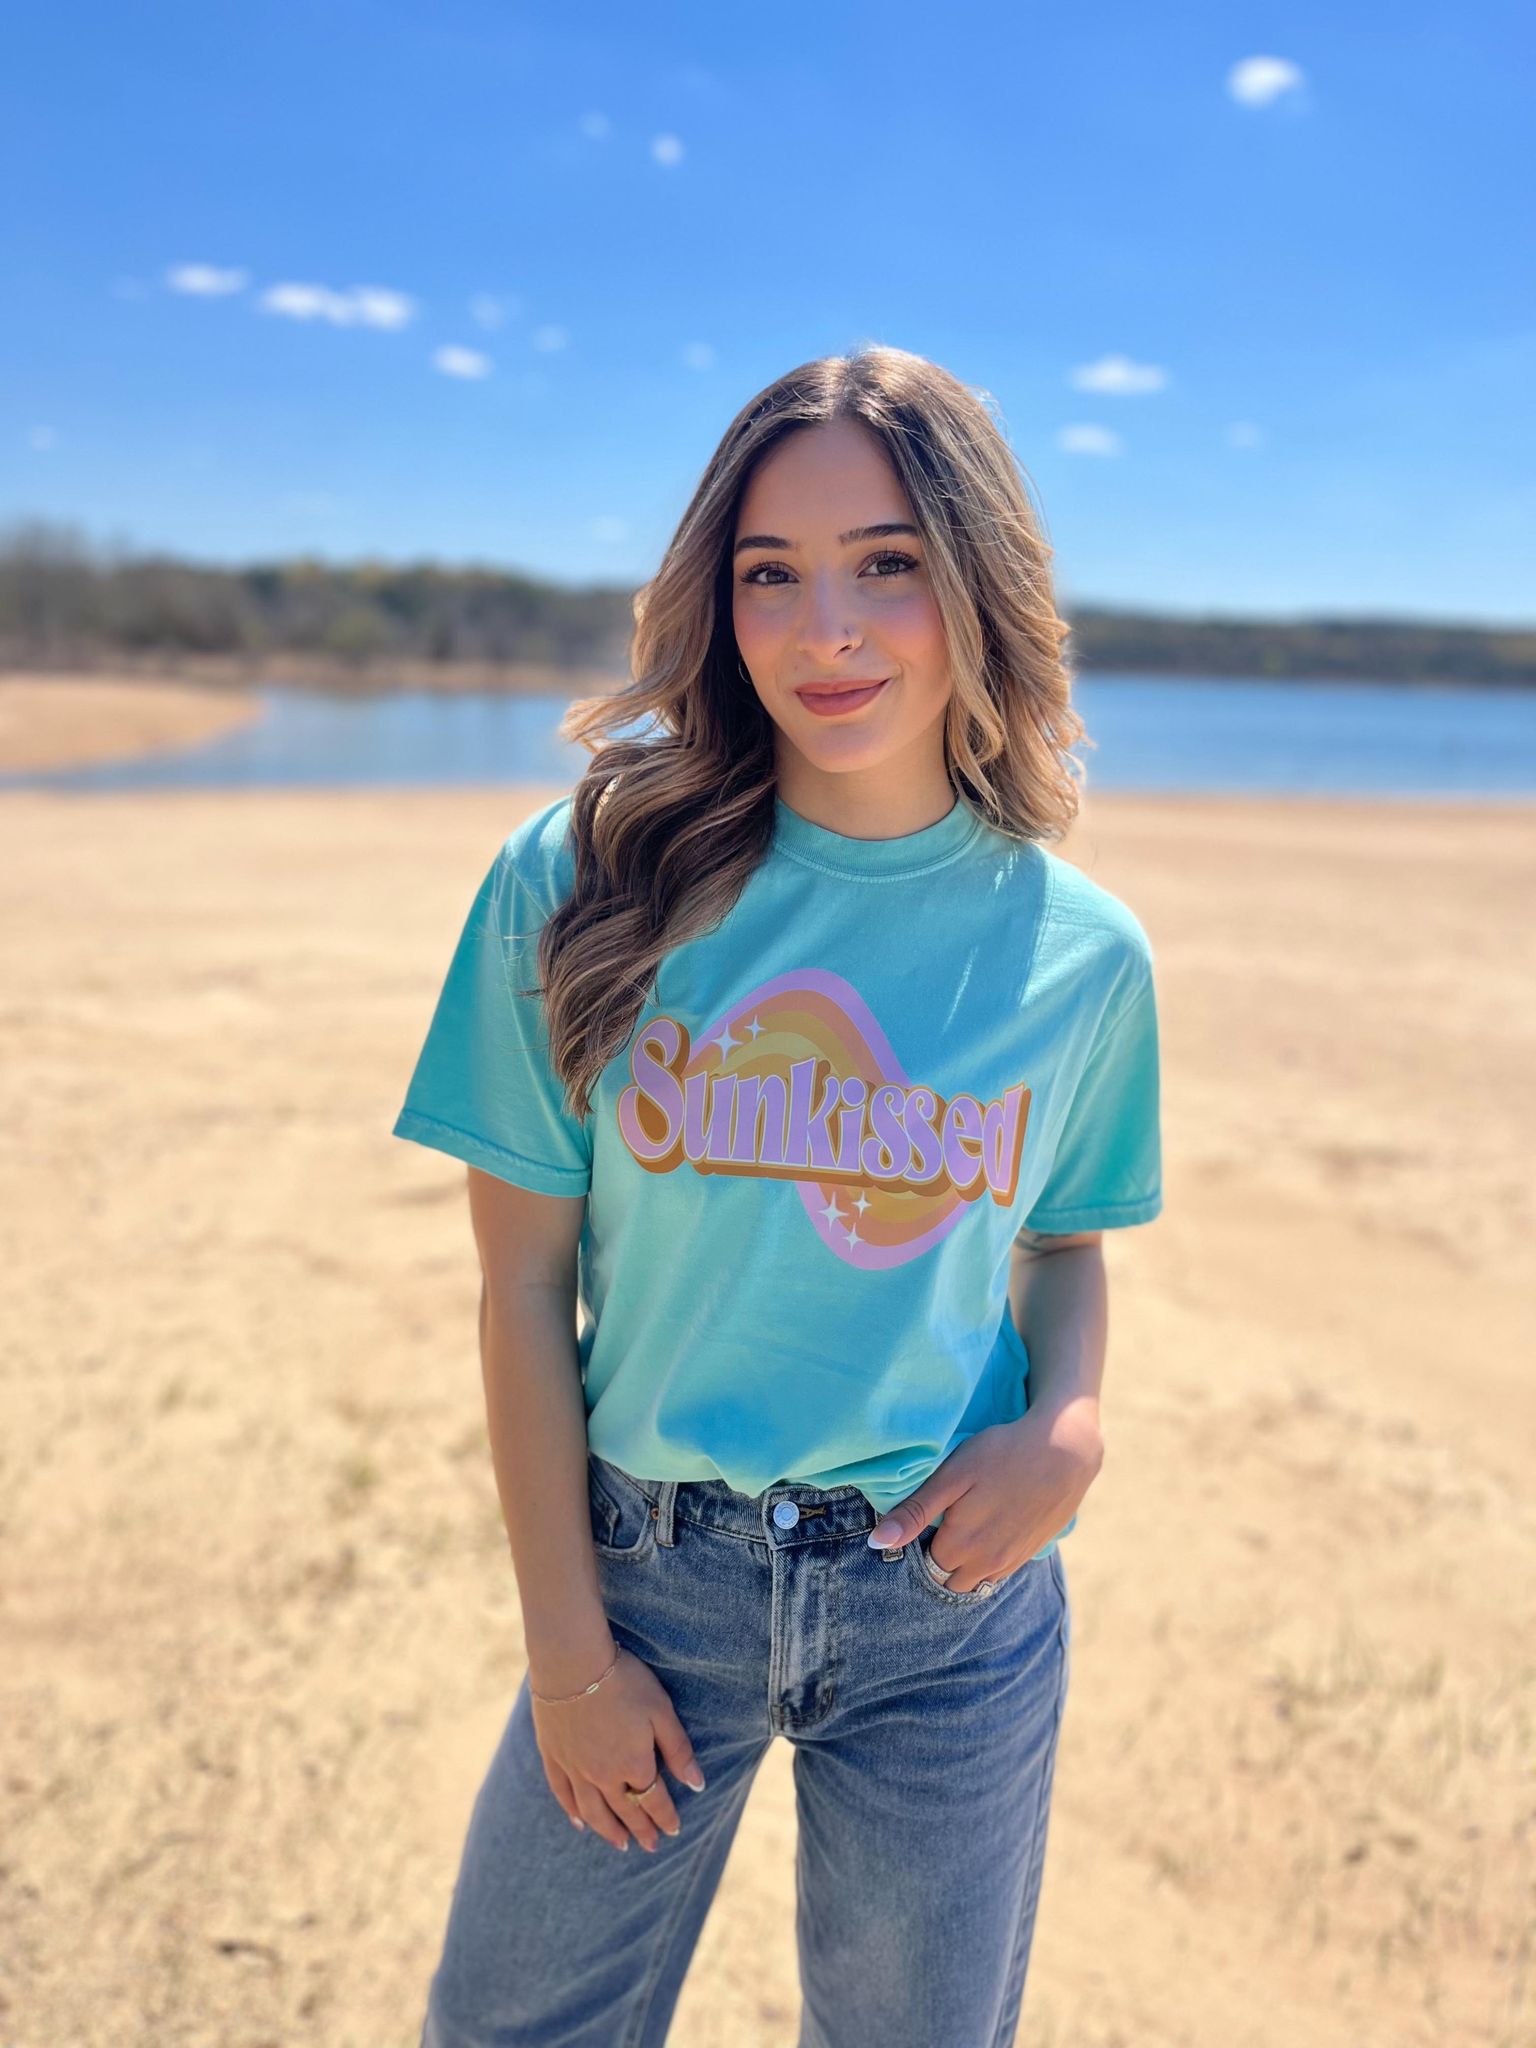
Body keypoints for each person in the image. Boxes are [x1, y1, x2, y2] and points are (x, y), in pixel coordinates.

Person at [391, 344, 1164, 2048]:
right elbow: (522, 1289)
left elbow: (1064, 1242)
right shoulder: (584, 883)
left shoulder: (1081, 954)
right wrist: (574, 1663)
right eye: (772, 573)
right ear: (717, 602)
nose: (828, 630)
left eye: (887, 563)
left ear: (978, 582)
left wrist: (1075, 1424)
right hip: (647, 1578)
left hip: (944, 1609)